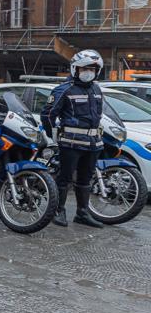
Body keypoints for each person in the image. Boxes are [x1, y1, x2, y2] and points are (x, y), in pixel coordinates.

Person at [41, 50, 105, 228]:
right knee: (64, 178)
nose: (88, 72)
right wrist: (53, 135)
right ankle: (58, 211)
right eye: (85, 69)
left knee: (85, 179)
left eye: (92, 69)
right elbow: (47, 115)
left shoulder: (96, 89)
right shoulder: (64, 89)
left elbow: (98, 115)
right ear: (75, 69)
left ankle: (82, 213)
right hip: (71, 143)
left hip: (93, 144)